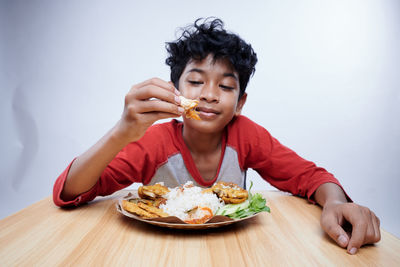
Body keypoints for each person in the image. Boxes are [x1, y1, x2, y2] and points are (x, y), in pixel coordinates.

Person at [53, 18, 380, 254]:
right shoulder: (155, 142)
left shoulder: (246, 136)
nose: (209, 95)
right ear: (174, 92)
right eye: (195, 81)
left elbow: (309, 177)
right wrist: (122, 131)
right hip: (155, 253)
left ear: (240, 103)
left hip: (236, 253)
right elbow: (71, 191)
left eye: (225, 86)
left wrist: (335, 202)